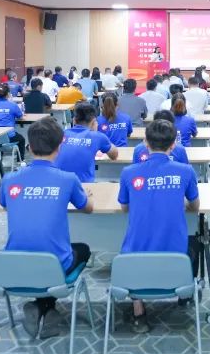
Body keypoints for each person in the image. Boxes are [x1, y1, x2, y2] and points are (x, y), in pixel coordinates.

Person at [0, 116, 93, 336]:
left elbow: (5, 204)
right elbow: (87, 208)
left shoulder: (9, 179)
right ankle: (46, 308)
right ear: (60, 147)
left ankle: (42, 306)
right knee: (82, 249)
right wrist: (86, 195)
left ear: (30, 148)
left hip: (13, 264)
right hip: (54, 265)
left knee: (42, 255)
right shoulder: (68, 179)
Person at [118, 119, 200, 332]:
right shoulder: (186, 171)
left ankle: (139, 313)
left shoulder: (128, 172)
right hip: (176, 257)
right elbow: (195, 205)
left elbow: (125, 207)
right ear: (174, 145)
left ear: (145, 143)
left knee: (131, 245)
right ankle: (184, 294)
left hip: (134, 257)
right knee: (196, 243)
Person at [55, 102, 118, 182]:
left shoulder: (60, 134)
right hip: (84, 186)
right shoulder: (98, 137)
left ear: (74, 120)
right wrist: (95, 132)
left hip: (59, 183)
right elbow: (114, 155)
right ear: (94, 121)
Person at [0, 83, 26, 157]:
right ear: (8, 94)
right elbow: (21, 117)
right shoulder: (13, 105)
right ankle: (21, 159)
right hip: (9, 136)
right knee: (22, 139)